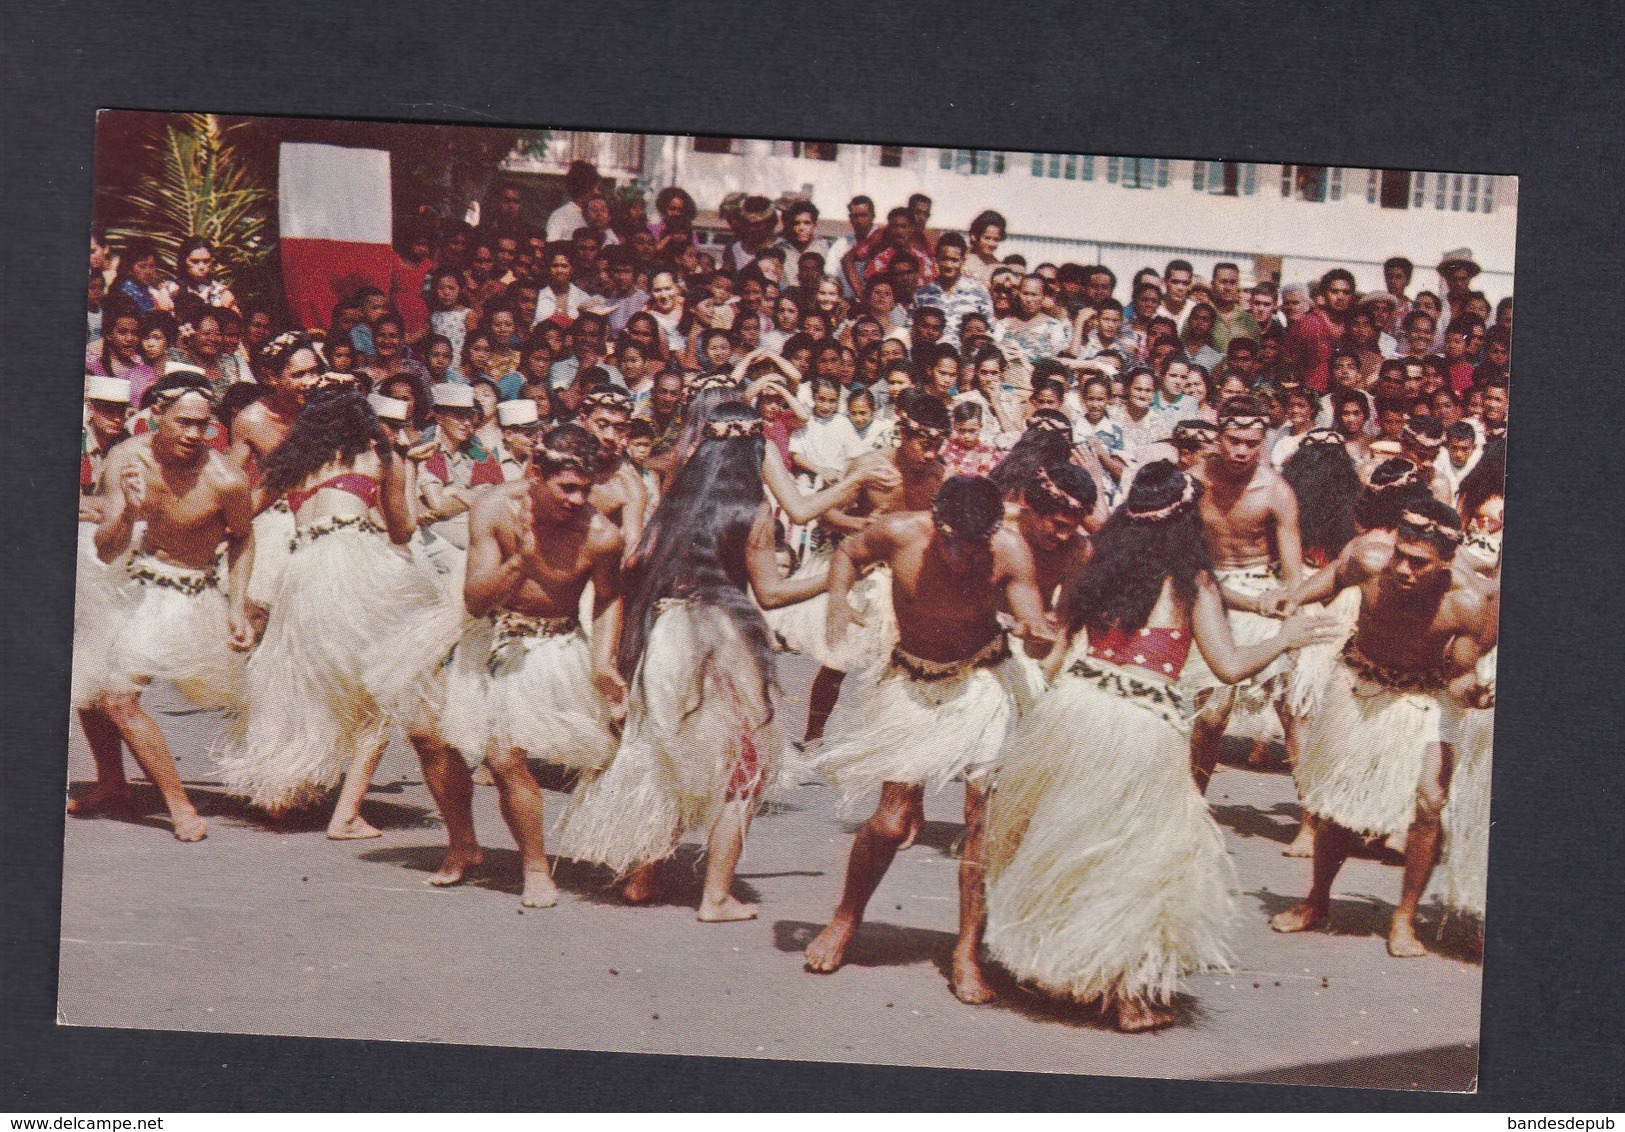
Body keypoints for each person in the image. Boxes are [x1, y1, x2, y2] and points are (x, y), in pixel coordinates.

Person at [984, 462, 1336, 1031]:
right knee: (1139, 858)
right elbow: (1228, 666)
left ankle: (1060, 967)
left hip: (1075, 711)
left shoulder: (1096, 561)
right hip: (1141, 725)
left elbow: (1050, 656)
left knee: (1074, 840)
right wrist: (1286, 637)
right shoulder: (1191, 581)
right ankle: (1127, 994)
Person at [558, 401, 831, 920]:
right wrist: (838, 575)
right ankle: (716, 896)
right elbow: (770, 594)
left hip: (666, 632)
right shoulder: (752, 513)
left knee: (663, 750)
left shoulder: (672, 504)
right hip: (723, 636)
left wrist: (625, 651)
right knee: (745, 766)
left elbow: (636, 575)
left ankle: (643, 876)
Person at [805, 475, 1055, 1004]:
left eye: (975, 545)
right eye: (951, 542)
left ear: (992, 533)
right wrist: (836, 601)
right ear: (935, 523)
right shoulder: (899, 533)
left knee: (982, 817)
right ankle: (846, 918)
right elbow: (847, 552)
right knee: (893, 822)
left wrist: (1035, 634)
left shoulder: (1009, 551)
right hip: (912, 682)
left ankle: (966, 951)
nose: (963, 557)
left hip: (983, 681)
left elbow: (1033, 627)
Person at [1271, 498, 1496, 958]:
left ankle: (1404, 918)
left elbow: (1460, 675)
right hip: (1361, 681)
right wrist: (1294, 596)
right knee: (1335, 801)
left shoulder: (1469, 602)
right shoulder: (1367, 560)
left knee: (1430, 804)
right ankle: (1317, 900)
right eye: (1401, 554)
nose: (1404, 570)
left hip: (1425, 696)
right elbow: (1332, 575)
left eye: (1419, 563)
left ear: (1446, 564)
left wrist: (1473, 690)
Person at [217, 385, 437, 838]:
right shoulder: (379, 456)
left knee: (302, 682)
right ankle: (347, 814)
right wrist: (408, 468)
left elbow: (243, 515)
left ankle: (278, 792)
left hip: (302, 572)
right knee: (378, 692)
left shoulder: (292, 465)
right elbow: (402, 529)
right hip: (356, 568)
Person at [73, 377, 255, 841]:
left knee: (118, 696)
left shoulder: (226, 480)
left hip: (186, 594)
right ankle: (113, 784)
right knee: (91, 686)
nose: (195, 435)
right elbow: (109, 550)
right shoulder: (125, 458)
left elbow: (243, 539)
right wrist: (127, 513)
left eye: (203, 424)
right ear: (156, 414)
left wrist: (237, 605)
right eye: (184, 423)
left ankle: (180, 804)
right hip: (129, 577)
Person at [1185, 395, 1305, 792]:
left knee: (1291, 709)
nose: (1241, 450)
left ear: (1265, 441)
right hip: (1207, 592)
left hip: (1261, 595)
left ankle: (1309, 821)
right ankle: (1192, 804)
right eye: (1233, 439)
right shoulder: (1194, 479)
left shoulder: (1275, 490)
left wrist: (1292, 616)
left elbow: (1292, 571)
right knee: (1211, 714)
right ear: (1218, 435)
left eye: (1251, 443)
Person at [228, 332, 324, 629]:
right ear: (271, 377)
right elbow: (230, 480)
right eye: (299, 374)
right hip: (278, 520)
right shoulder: (251, 420)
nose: (311, 381)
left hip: (329, 512)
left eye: (314, 371)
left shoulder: (326, 409)